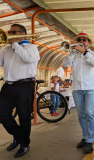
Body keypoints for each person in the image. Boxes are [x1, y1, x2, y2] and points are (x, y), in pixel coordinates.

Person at [0, 24, 40, 158]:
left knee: (24, 117)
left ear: (23, 34)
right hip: (8, 86)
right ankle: (18, 136)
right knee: (2, 114)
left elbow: (27, 59)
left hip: (25, 86)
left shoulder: (31, 48)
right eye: (9, 32)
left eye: (13, 32)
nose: (10, 34)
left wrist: (16, 46)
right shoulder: (6, 49)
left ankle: (24, 144)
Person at [62, 32, 94, 153]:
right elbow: (65, 64)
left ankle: (89, 140)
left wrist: (85, 52)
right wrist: (73, 51)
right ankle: (85, 137)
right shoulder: (74, 55)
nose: (82, 41)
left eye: (84, 39)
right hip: (77, 88)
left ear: (89, 43)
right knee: (81, 115)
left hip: (90, 88)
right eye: (79, 39)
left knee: (89, 113)